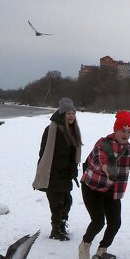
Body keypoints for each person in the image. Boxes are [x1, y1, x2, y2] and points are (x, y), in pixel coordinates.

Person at [77, 110, 130, 259]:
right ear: (116, 130)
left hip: (112, 190)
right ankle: (85, 244)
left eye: (129, 131)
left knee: (115, 223)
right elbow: (98, 159)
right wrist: (105, 167)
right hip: (93, 187)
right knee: (98, 221)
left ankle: (102, 250)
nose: (126, 134)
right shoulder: (103, 143)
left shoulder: (128, 147)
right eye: (123, 130)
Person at [32, 98, 82, 241]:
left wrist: (74, 168)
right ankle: (56, 229)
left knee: (67, 201)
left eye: (73, 113)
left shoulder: (73, 130)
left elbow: (74, 152)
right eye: (68, 113)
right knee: (56, 202)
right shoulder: (51, 129)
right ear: (62, 114)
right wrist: (44, 170)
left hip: (66, 172)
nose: (71, 116)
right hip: (52, 172)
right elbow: (43, 152)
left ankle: (63, 224)